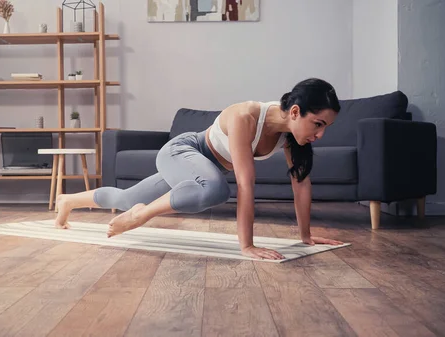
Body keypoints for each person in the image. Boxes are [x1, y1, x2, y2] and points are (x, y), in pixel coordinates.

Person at [54, 78, 344, 260]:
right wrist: (247, 246)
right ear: (295, 112)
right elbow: (246, 185)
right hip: (184, 152)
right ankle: (140, 215)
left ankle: (68, 201)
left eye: (325, 128)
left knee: (125, 198)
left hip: (200, 171)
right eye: (317, 124)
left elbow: (301, 185)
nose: (320, 135)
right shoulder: (246, 117)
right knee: (215, 189)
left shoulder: (292, 138)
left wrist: (305, 235)